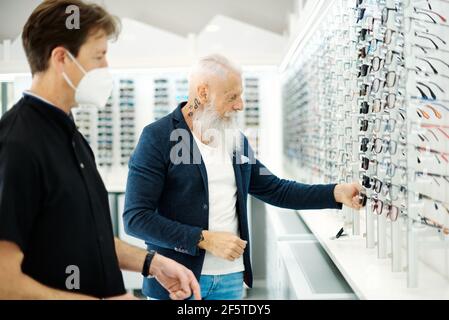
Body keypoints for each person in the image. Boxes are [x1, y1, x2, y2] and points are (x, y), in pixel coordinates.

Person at [0, 0, 200, 300]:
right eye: (99, 56)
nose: (106, 67)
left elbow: (88, 236)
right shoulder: (17, 145)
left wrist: (152, 264)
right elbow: (5, 283)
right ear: (61, 58)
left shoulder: (71, 136)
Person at [123, 54, 364, 300]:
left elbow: (275, 189)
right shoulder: (158, 137)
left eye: (240, 95)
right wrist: (203, 239)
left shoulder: (235, 141)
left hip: (230, 279)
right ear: (203, 93)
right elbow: (136, 218)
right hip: (175, 282)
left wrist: (335, 193)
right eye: (232, 97)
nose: (240, 105)